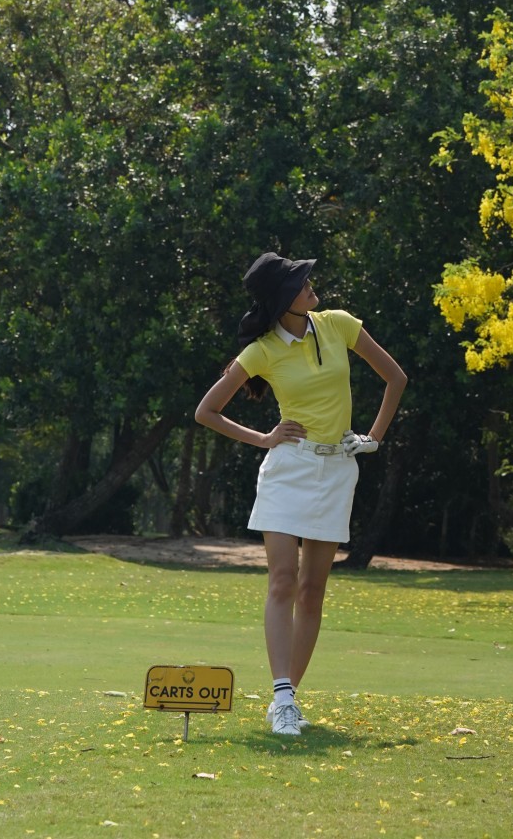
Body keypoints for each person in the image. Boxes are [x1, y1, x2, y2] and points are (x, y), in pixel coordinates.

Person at [194, 252, 407, 738]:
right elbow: (207, 411)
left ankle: (287, 699)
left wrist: (372, 437)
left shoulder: (339, 324)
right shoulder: (263, 350)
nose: (311, 284)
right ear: (280, 300)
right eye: (299, 281)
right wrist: (264, 439)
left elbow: (396, 377)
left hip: (337, 470)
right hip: (289, 468)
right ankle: (283, 698)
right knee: (283, 581)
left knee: (313, 590)